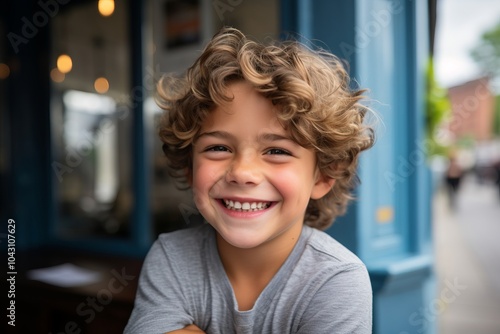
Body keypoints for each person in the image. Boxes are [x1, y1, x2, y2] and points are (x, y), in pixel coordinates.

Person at [125, 27, 375, 334]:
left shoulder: (337, 279)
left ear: (323, 176)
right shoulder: (172, 257)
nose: (242, 172)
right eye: (218, 148)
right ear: (189, 167)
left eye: (276, 150)